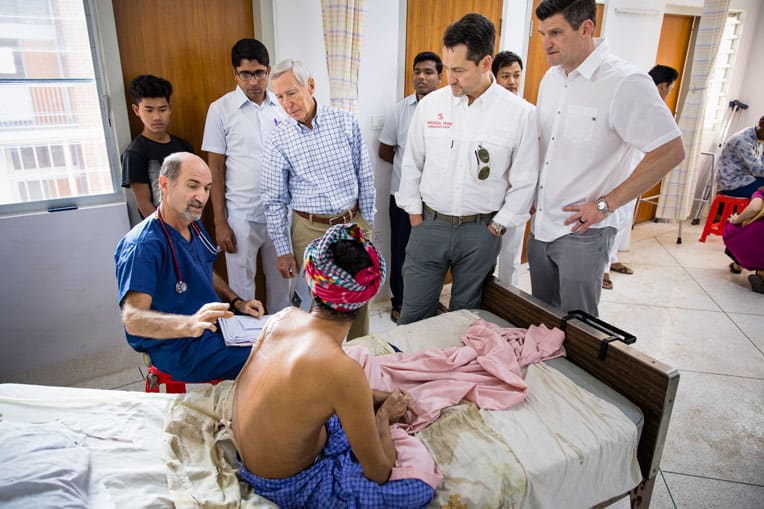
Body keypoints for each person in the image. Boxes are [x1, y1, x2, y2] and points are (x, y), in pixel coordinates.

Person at [232, 223, 434, 508]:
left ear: (314, 281)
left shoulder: (284, 317)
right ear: (365, 296)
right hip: (285, 482)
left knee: (350, 385)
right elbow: (379, 472)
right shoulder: (342, 370)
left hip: (249, 457)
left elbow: (311, 389)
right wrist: (384, 416)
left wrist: (378, 398)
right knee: (419, 486)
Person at [529, 0, 685, 316]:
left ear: (586, 28)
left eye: (556, 33)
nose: (546, 43)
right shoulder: (551, 79)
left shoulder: (625, 81)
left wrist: (605, 205)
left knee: (580, 330)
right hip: (540, 227)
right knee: (543, 322)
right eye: (543, 33)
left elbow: (670, 150)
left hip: (584, 234)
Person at [395, 13, 539, 325]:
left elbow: (525, 181)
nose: (450, 78)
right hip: (429, 226)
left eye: (459, 70)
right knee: (413, 316)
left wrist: (497, 228)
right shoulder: (431, 106)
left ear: (486, 63)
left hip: (481, 232)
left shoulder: (521, 115)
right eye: (447, 68)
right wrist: (416, 217)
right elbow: (412, 164)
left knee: (465, 320)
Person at [115, 152, 264, 382]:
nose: (201, 197)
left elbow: (202, 269)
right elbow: (133, 319)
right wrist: (189, 324)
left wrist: (237, 302)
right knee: (272, 357)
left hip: (211, 330)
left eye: (207, 188)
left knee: (279, 337)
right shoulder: (143, 245)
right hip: (177, 346)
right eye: (193, 186)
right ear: (164, 184)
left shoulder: (193, 227)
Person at [261, 59, 376, 340]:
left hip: (352, 224)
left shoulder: (345, 121)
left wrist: (367, 224)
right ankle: (320, 364)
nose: (287, 103)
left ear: (310, 86)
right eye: (279, 97)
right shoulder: (278, 138)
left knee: (358, 294)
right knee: (316, 303)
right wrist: (284, 250)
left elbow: (366, 176)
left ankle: (358, 354)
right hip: (309, 230)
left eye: (291, 92)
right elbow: (273, 199)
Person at [201, 39, 289, 314]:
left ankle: (281, 343)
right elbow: (214, 167)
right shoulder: (220, 109)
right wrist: (219, 221)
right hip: (240, 214)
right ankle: (247, 347)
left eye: (260, 73)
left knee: (283, 284)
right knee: (242, 289)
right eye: (246, 74)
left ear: (268, 71)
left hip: (280, 213)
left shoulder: (282, 106)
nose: (253, 82)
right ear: (235, 74)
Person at [602, 63, 680, 290]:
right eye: (670, 88)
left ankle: (612, 259)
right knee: (612, 219)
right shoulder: (637, 102)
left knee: (623, 219)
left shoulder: (656, 108)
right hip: (621, 175)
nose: (668, 92)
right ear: (663, 86)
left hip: (638, 171)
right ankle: (602, 269)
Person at [378, 51, 442, 323]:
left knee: (434, 252)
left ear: (440, 76)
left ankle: (430, 301)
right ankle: (400, 301)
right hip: (402, 196)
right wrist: (411, 172)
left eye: (428, 72)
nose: (421, 77)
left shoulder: (448, 109)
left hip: (437, 199)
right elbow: (385, 150)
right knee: (402, 249)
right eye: (417, 72)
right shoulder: (399, 110)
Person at [121, 75, 193, 219]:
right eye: (149, 110)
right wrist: (168, 232)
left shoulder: (183, 146)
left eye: (162, 109)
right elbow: (144, 204)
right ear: (136, 110)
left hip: (190, 223)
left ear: (169, 109)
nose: (157, 117)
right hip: (160, 230)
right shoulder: (135, 153)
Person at [492, 50, 528, 288]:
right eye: (506, 75)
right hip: (488, 200)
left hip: (516, 197)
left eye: (516, 75)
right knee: (483, 259)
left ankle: (508, 303)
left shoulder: (528, 112)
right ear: (494, 77)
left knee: (510, 260)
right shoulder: (485, 112)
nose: (512, 82)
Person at [723, 186, 764, 294]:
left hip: (758, 244)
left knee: (732, 228)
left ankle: (738, 264)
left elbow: (755, 208)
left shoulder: (761, 193)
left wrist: (736, 220)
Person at [716, 115, 764, 198]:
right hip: (733, 184)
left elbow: (760, 165)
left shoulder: (757, 138)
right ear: (761, 124)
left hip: (746, 179)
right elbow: (757, 170)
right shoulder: (743, 140)